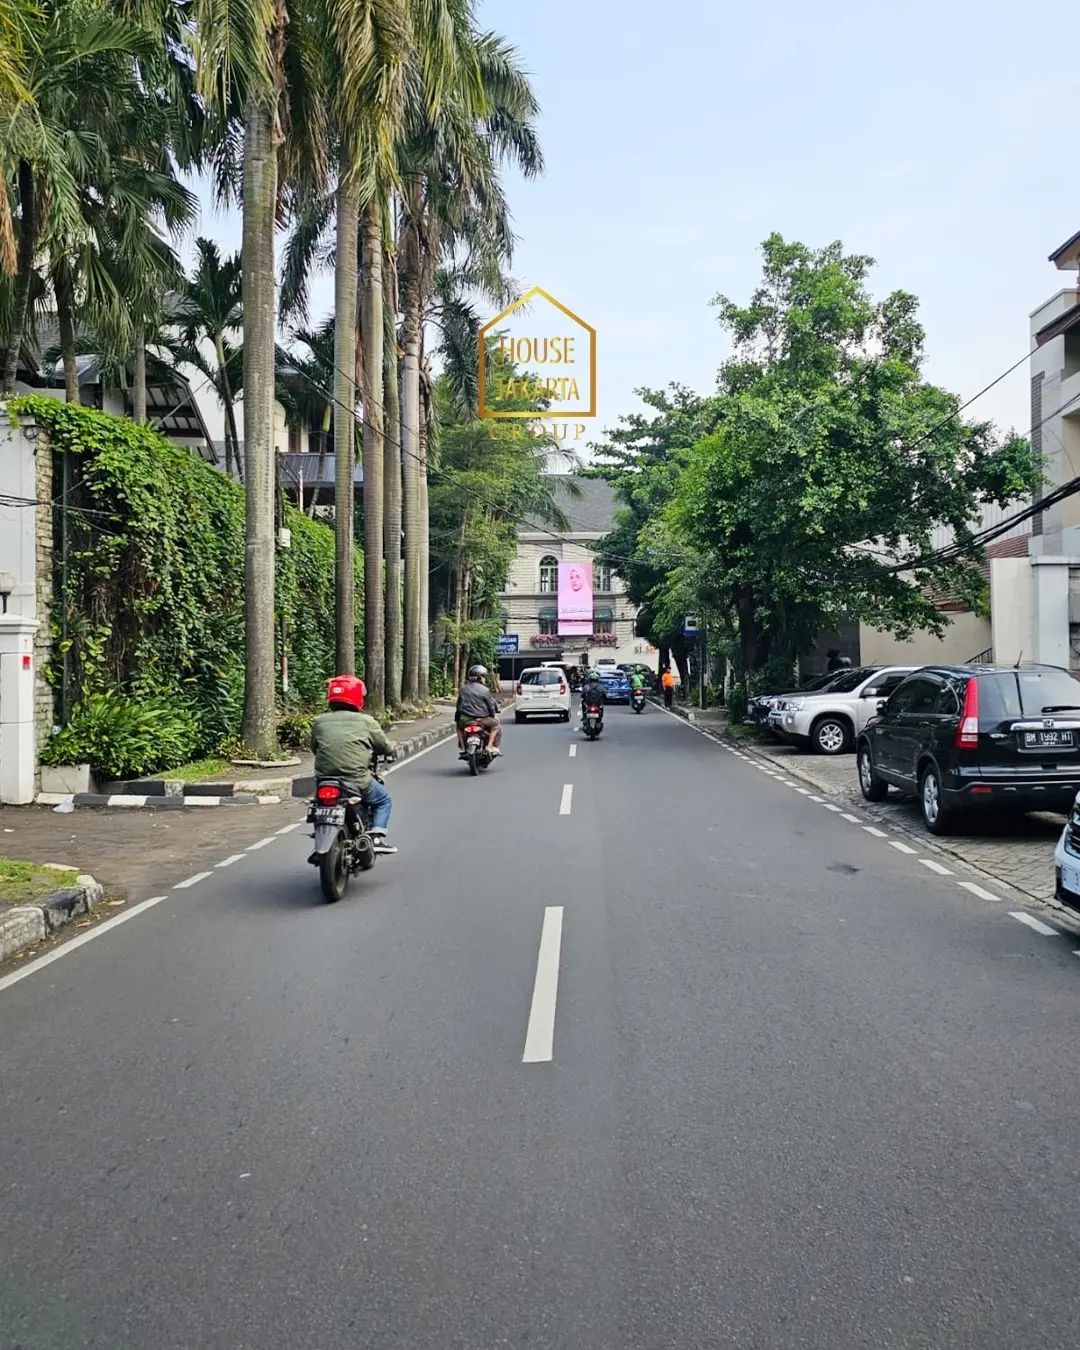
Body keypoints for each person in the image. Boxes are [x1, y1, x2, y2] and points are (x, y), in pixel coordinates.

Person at [310, 675, 398, 855]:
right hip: (357, 780)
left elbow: (314, 747)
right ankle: (376, 838)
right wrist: (391, 750)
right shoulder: (366, 721)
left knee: (316, 805)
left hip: (324, 780)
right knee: (383, 800)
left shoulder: (319, 721)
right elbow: (383, 746)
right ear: (358, 698)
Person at [455, 664, 502, 756]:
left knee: (459, 728)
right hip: (482, 720)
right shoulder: (485, 690)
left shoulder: (463, 689)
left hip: (466, 720)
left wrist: (457, 719)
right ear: (480, 678)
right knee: (496, 726)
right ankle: (490, 746)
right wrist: (493, 716)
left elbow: (458, 706)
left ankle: (463, 748)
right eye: (484, 677)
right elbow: (491, 706)